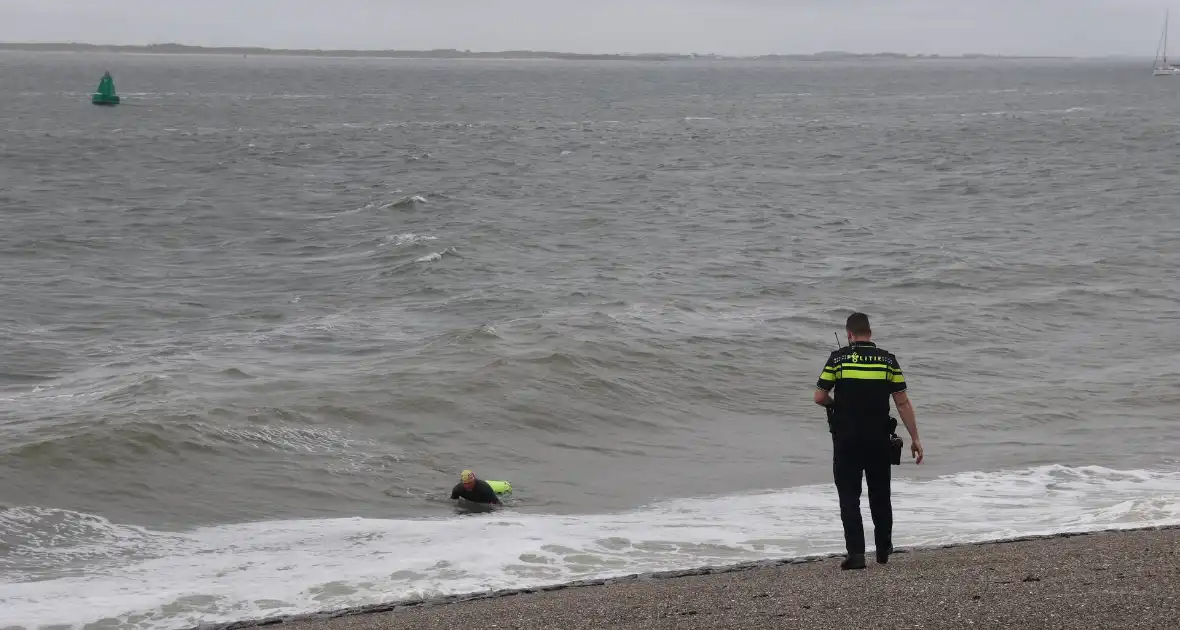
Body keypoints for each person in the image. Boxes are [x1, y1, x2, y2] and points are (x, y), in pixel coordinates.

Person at [814, 312, 923, 570]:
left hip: (846, 439)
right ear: (870, 334)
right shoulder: (887, 360)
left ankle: (856, 554)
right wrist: (915, 438)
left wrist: (835, 404)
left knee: (849, 496)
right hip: (878, 438)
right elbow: (902, 402)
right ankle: (883, 549)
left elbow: (819, 396)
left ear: (849, 335)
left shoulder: (838, 359)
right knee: (880, 494)